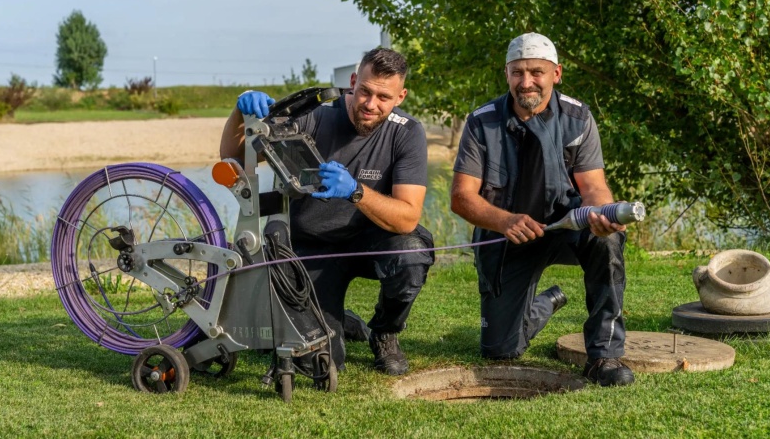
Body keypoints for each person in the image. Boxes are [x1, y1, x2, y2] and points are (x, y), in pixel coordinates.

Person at [220, 48, 434, 375]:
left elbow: (407, 217)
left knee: (413, 253)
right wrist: (240, 112)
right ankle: (333, 316)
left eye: (383, 96)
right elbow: (233, 158)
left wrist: (356, 192)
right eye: (364, 91)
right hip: (311, 246)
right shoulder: (315, 114)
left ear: (400, 97)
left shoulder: (406, 132)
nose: (370, 103)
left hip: (370, 243)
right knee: (323, 362)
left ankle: (386, 331)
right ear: (352, 82)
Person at [449, 32, 634, 387]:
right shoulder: (480, 122)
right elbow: (461, 197)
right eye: (517, 72)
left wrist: (600, 213)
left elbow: (593, 186)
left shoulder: (578, 117)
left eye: (536, 72)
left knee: (607, 242)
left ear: (556, 74)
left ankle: (604, 356)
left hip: (566, 226)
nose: (527, 82)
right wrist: (504, 220)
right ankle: (547, 303)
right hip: (506, 235)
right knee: (500, 350)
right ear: (506, 74)